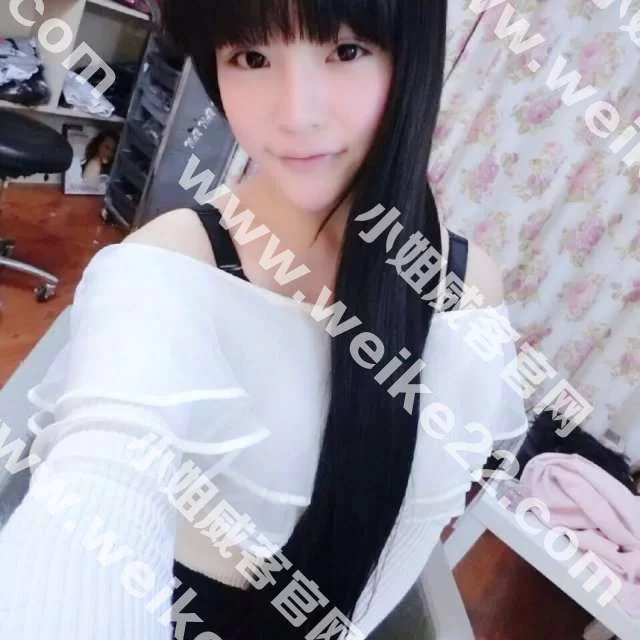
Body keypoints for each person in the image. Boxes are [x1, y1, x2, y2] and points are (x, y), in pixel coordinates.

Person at [0, 1, 528, 638]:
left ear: (414, 55)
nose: (296, 114)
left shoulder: (471, 288)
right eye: (251, 57)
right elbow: (101, 472)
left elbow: (414, 533)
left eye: (346, 51)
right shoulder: (169, 269)